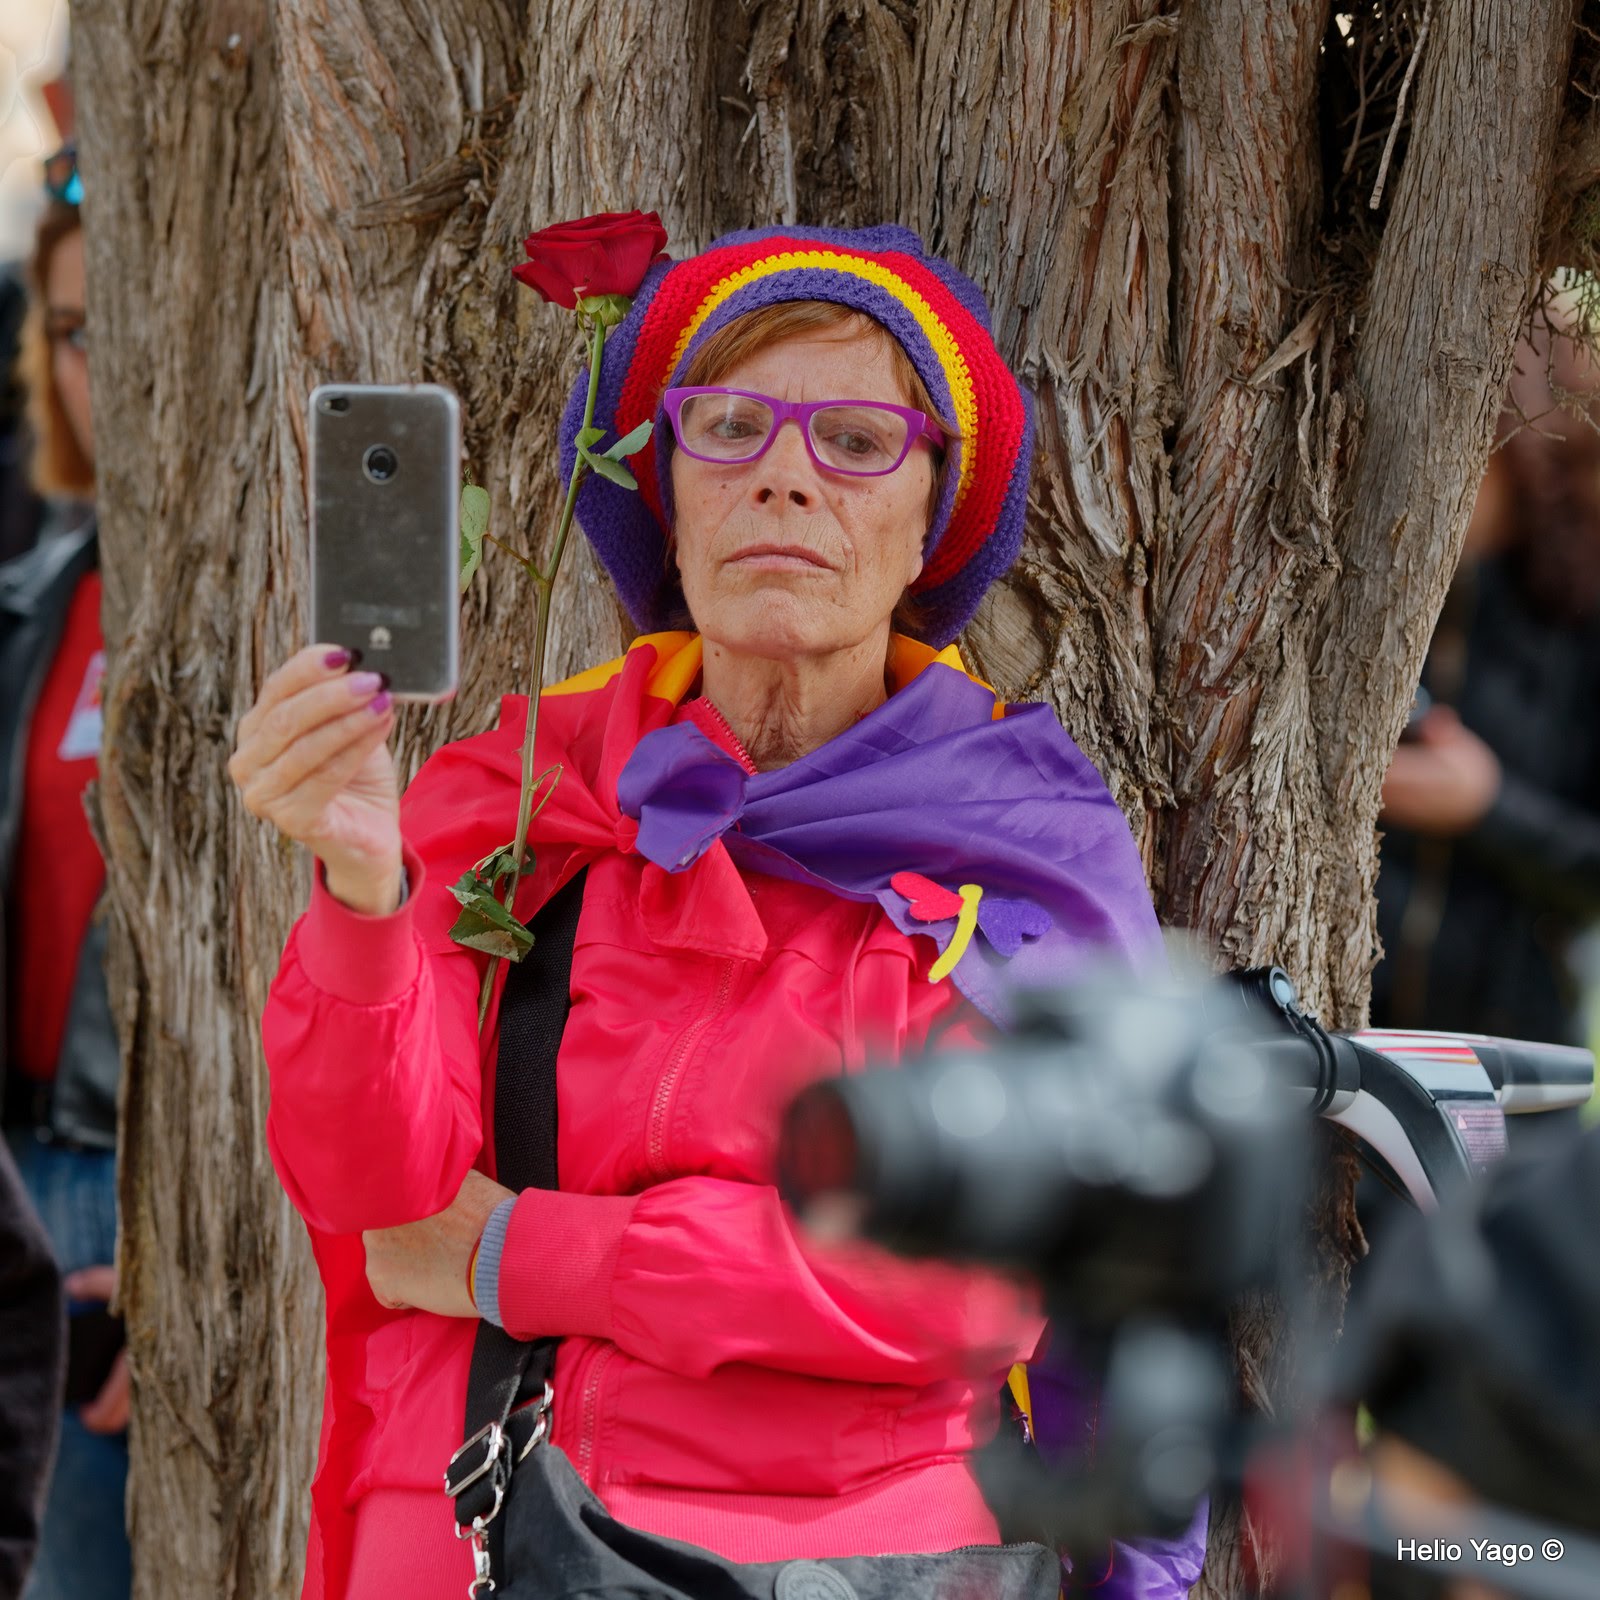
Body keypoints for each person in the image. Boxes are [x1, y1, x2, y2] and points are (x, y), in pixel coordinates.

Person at [232, 225, 1202, 1598]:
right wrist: (363, 889)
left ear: (931, 515)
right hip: (474, 1531)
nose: (789, 478)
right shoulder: (521, 794)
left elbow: (972, 1272)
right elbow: (374, 1195)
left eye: (858, 440)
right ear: (667, 500)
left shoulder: (1019, 845)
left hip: (841, 1570)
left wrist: (525, 1251)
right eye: (731, 428)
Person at [0, 149, 131, 1600]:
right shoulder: (33, 593)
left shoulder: (252, 599)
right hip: (20, 1188)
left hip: (131, 1191)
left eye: (125, 319)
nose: (104, 365)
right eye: (73, 328)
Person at [1373, 325, 1600, 1050]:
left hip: (1510, 1067)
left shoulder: (1577, 620)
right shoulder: (1354, 587)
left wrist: (1485, 804)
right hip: (1342, 1059)